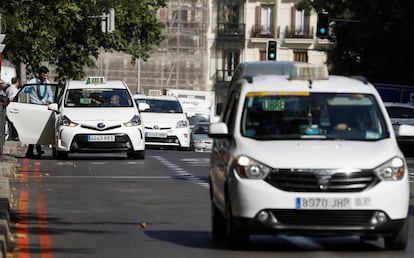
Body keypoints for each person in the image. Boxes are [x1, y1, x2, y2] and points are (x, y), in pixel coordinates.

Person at [26, 66, 54, 158]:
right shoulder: (32, 82)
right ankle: (33, 150)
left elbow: (50, 95)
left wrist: (49, 101)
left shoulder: (47, 83)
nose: (44, 77)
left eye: (46, 75)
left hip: (43, 108)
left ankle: (36, 149)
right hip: (34, 106)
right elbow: (25, 93)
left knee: (40, 129)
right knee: (33, 129)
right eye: (43, 75)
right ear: (39, 74)